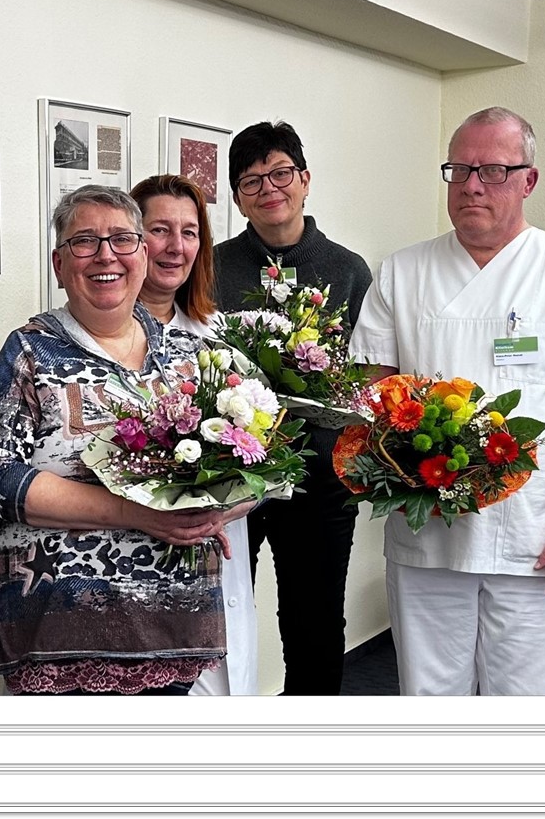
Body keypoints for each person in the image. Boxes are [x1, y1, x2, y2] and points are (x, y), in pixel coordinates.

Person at [350, 106, 545, 695]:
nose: (472, 185)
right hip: (427, 531)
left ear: (528, 180)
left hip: (537, 533)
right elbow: (371, 399)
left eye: (493, 171)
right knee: (428, 697)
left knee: (525, 704)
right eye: (459, 170)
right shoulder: (403, 271)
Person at [0, 184, 227, 694]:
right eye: (84, 241)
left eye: (121, 240)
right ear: (60, 264)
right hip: (63, 630)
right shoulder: (30, 353)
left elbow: (250, 454)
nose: (105, 255)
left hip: (172, 625)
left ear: (143, 254)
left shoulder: (189, 355)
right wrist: (139, 513)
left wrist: (218, 508)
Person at [213, 120, 372, 695]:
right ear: (236, 197)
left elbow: (363, 372)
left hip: (319, 476)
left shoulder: (349, 269)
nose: (268, 188)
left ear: (305, 180)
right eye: (251, 180)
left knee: (315, 620)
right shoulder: (211, 266)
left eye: (280, 173)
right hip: (229, 474)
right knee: (220, 614)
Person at [131, 174, 258, 695]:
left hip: (214, 546)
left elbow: (263, 461)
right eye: (159, 229)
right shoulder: (99, 339)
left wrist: (220, 509)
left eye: (189, 232)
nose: (175, 246)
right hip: (134, 562)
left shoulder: (220, 340)